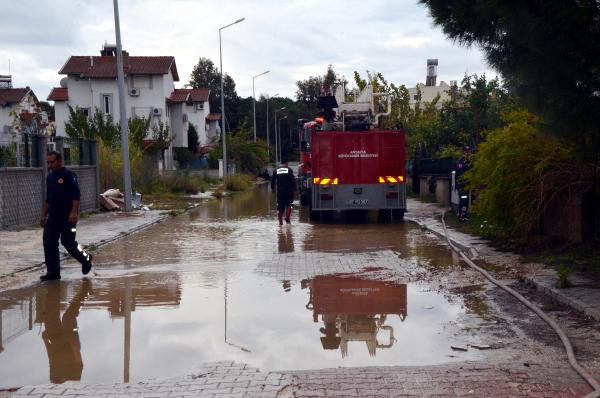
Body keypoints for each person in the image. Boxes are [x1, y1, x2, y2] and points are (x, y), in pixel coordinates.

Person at [40, 151, 92, 281]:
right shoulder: (50, 177)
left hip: (68, 217)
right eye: (48, 162)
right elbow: (48, 199)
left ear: (59, 161)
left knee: (68, 242)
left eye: (52, 162)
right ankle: (53, 272)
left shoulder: (69, 175)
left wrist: (74, 212)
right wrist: (43, 215)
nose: (50, 165)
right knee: (49, 242)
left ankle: (86, 257)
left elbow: (76, 195)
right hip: (53, 217)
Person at [270, 160, 296, 225]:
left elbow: (272, 180)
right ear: (286, 164)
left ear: (281, 164)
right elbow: (292, 180)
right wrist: (295, 188)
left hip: (280, 191)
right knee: (289, 205)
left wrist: (272, 188)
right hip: (288, 191)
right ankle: (287, 218)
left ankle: (280, 222)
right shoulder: (289, 170)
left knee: (280, 206)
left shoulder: (276, 171)